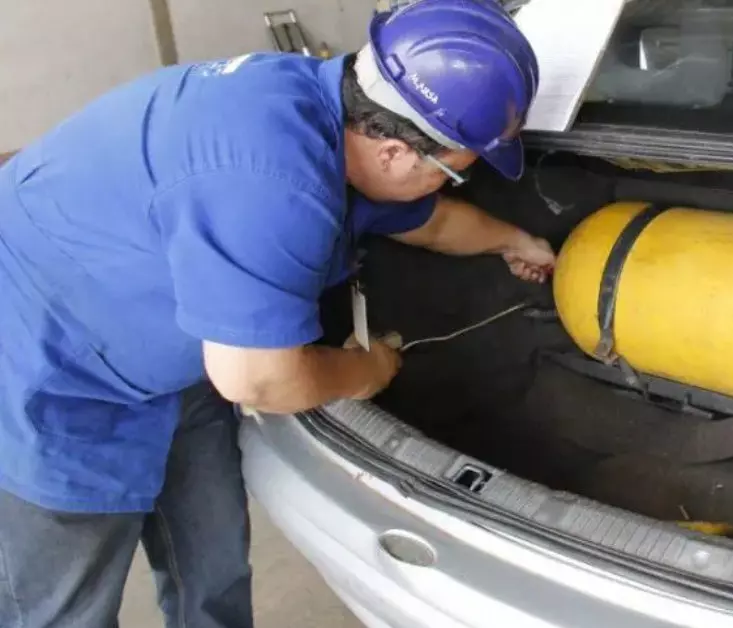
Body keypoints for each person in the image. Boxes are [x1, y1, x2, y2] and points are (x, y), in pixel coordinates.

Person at [0, 1, 551, 627]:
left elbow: (432, 224)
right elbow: (256, 380)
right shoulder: (272, 179)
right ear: (397, 153)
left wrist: (515, 242)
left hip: (186, 350)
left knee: (212, 567)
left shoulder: (335, 115)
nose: (446, 187)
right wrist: (363, 374)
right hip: (49, 370)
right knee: (62, 605)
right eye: (452, 174)